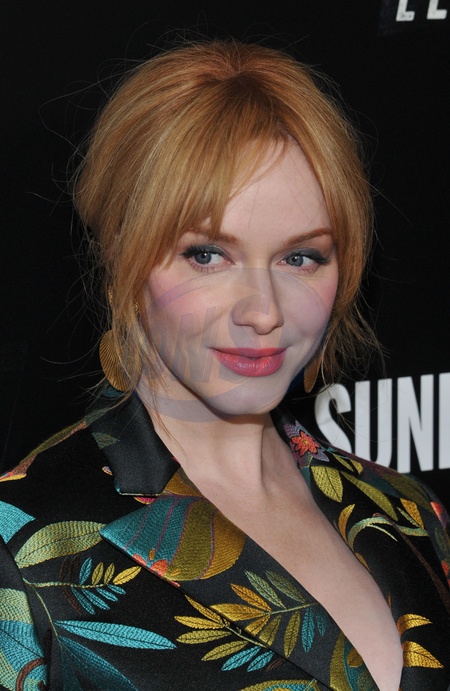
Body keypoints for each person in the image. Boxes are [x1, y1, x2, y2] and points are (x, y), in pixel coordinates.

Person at [0, 40, 449, 691]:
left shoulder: (409, 511)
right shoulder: (21, 544)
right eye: (208, 255)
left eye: (301, 257)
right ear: (125, 253)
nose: (263, 311)